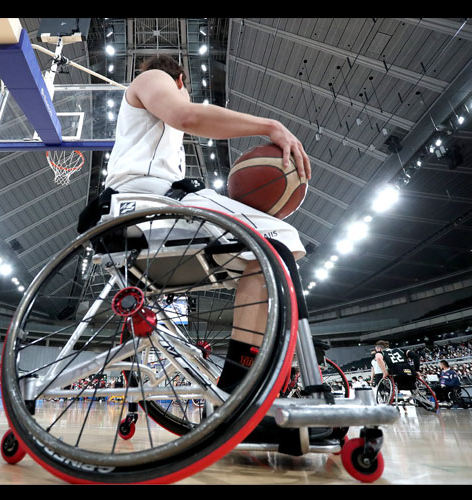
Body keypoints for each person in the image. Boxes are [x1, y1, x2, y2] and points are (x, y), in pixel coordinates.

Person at [93, 54, 312, 444]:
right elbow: (189, 116)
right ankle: (237, 396)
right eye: (186, 90)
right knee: (279, 239)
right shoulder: (153, 78)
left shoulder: (154, 132)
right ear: (180, 80)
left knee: (267, 255)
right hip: (143, 206)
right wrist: (270, 126)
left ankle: (241, 392)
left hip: (151, 207)